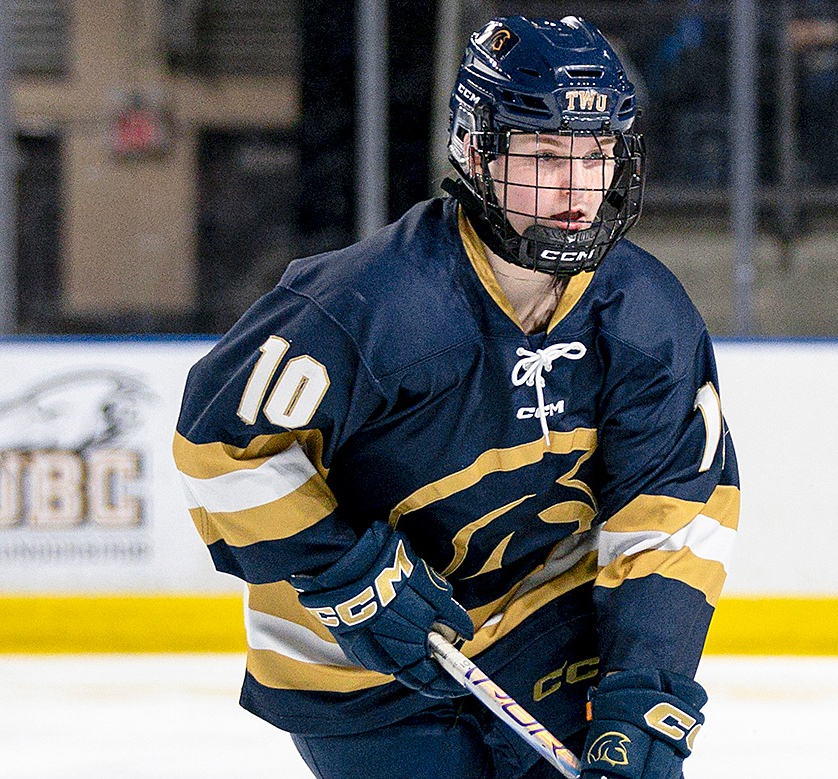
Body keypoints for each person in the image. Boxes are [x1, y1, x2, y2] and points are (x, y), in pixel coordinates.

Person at [174, 16, 739, 779]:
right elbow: (222, 442)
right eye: (545, 155)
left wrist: (645, 689)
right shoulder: (371, 306)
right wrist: (346, 575)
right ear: (476, 149)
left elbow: (674, 514)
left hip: (547, 626)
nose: (578, 188)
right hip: (363, 669)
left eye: (598, 154)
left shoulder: (646, 316)